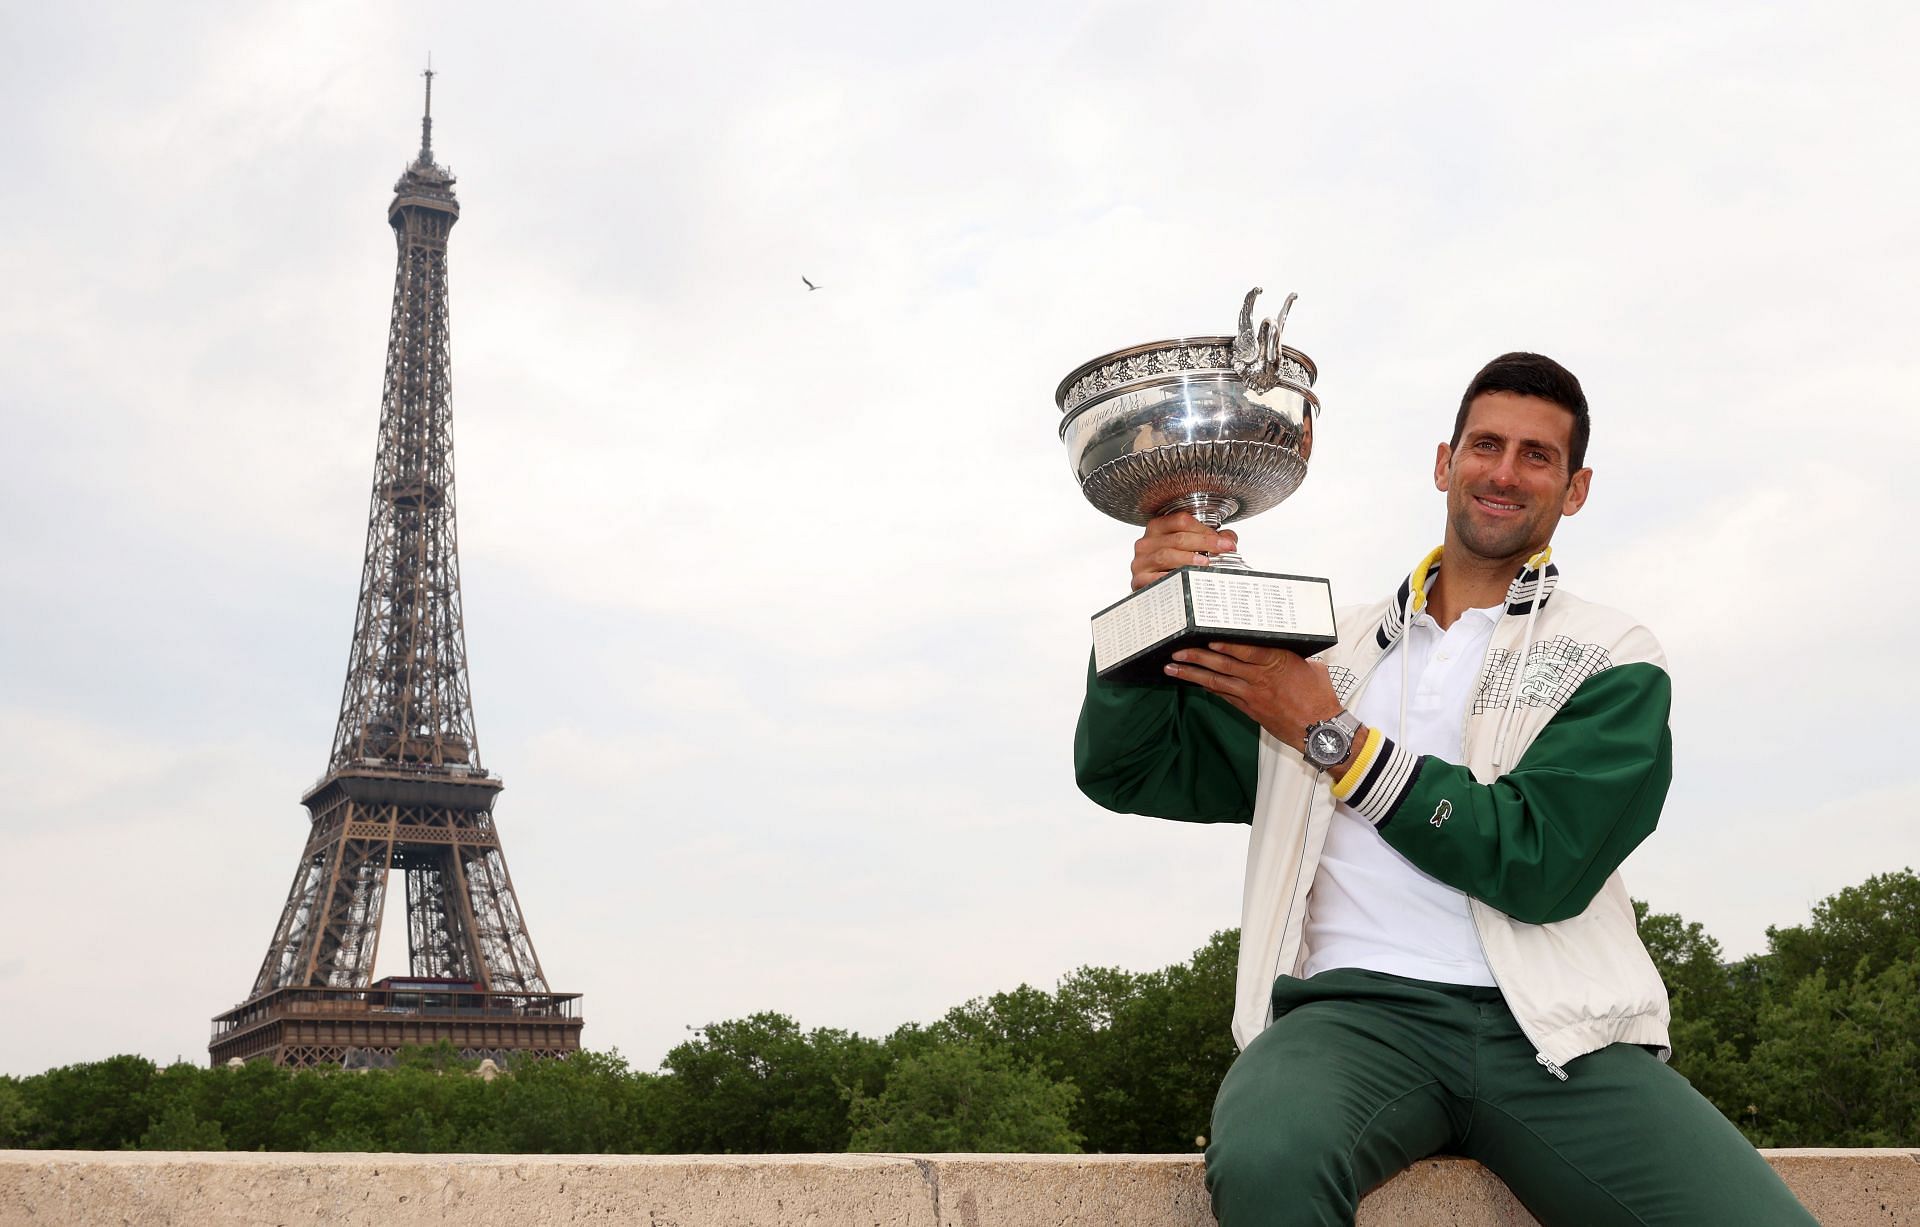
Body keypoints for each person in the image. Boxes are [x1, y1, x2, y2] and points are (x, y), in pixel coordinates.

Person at [1075, 353, 1813, 1226]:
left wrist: (1337, 740)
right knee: (1269, 1158)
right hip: (1351, 1016)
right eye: (1486, 445)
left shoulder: (1612, 655)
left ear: (1574, 490)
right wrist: (1152, 609)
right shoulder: (1323, 651)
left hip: (1557, 1033)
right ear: (1443, 462)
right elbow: (1130, 766)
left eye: (1536, 456)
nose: (1504, 472)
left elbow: (1539, 862)